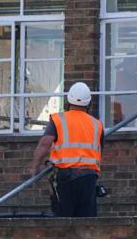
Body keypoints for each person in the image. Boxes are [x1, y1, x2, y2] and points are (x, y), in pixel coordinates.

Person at [30, 82, 104, 217]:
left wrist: (35, 168)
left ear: (68, 100)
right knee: (87, 223)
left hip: (66, 178)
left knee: (64, 222)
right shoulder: (97, 124)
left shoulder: (59, 119)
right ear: (89, 103)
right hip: (89, 178)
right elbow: (98, 150)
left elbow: (45, 143)